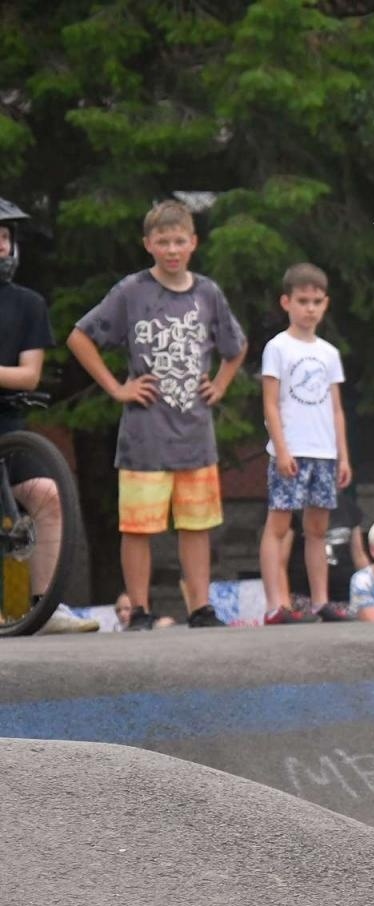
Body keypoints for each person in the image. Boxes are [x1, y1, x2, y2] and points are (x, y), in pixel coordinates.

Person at [66, 199, 248, 631]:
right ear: (148, 244)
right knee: (138, 525)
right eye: (162, 241)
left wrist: (220, 384)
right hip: (145, 433)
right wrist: (116, 387)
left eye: (179, 241)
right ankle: (141, 610)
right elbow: (79, 337)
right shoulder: (132, 291)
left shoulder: (207, 292)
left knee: (197, 524)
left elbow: (235, 346)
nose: (171, 249)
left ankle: (200, 607)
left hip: (194, 431)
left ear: (193, 243)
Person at [0, 197, 96, 636]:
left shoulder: (28, 304)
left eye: (4, 238)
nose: (0, 246)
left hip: (8, 425)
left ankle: (45, 607)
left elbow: (29, 374)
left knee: (47, 494)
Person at [258, 263, 354, 624]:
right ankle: (275, 604)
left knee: (317, 529)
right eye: (302, 300)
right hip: (292, 448)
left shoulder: (328, 352)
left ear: (325, 303)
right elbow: (270, 401)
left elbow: (336, 408)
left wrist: (342, 456)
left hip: (324, 452)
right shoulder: (278, 347)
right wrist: (280, 448)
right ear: (287, 302)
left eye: (316, 301)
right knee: (279, 525)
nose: (309, 308)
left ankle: (319, 600)